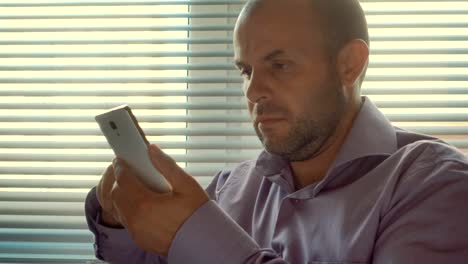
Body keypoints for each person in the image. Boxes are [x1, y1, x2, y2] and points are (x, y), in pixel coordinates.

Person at [85, 0, 468, 263]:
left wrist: (197, 233)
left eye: (279, 65)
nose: (252, 92)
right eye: (246, 71)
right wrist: (117, 218)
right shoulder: (229, 188)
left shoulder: (436, 186)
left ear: (349, 65)